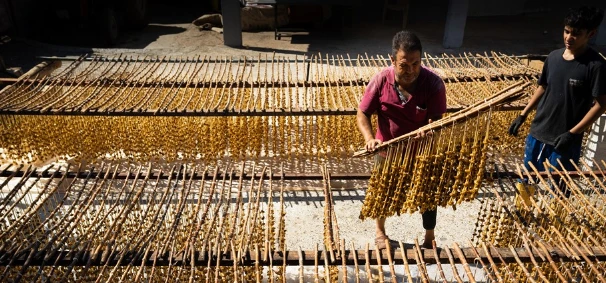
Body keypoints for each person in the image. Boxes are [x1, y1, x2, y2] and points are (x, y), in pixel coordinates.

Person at [357, 31, 447, 249]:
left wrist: (430, 130)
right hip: (387, 150)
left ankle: (429, 237)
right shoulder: (380, 81)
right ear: (393, 61)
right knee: (382, 191)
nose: (410, 71)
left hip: (421, 150)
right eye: (404, 65)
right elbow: (362, 114)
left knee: (427, 193)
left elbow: (437, 119)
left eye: (416, 64)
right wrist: (370, 139)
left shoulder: (433, 84)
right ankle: (380, 233)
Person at [509, 6, 606, 182]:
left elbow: (601, 104)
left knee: (559, 188)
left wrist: (573, 133)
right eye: (566, 31)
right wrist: (523, 115)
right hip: (538, 132)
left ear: (590, 34)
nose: (569, 38)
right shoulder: (553, 57)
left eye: (576, 33)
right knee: (526, 180)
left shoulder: (596, 66)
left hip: (565, 140)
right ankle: (522, 209)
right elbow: (543, 87)